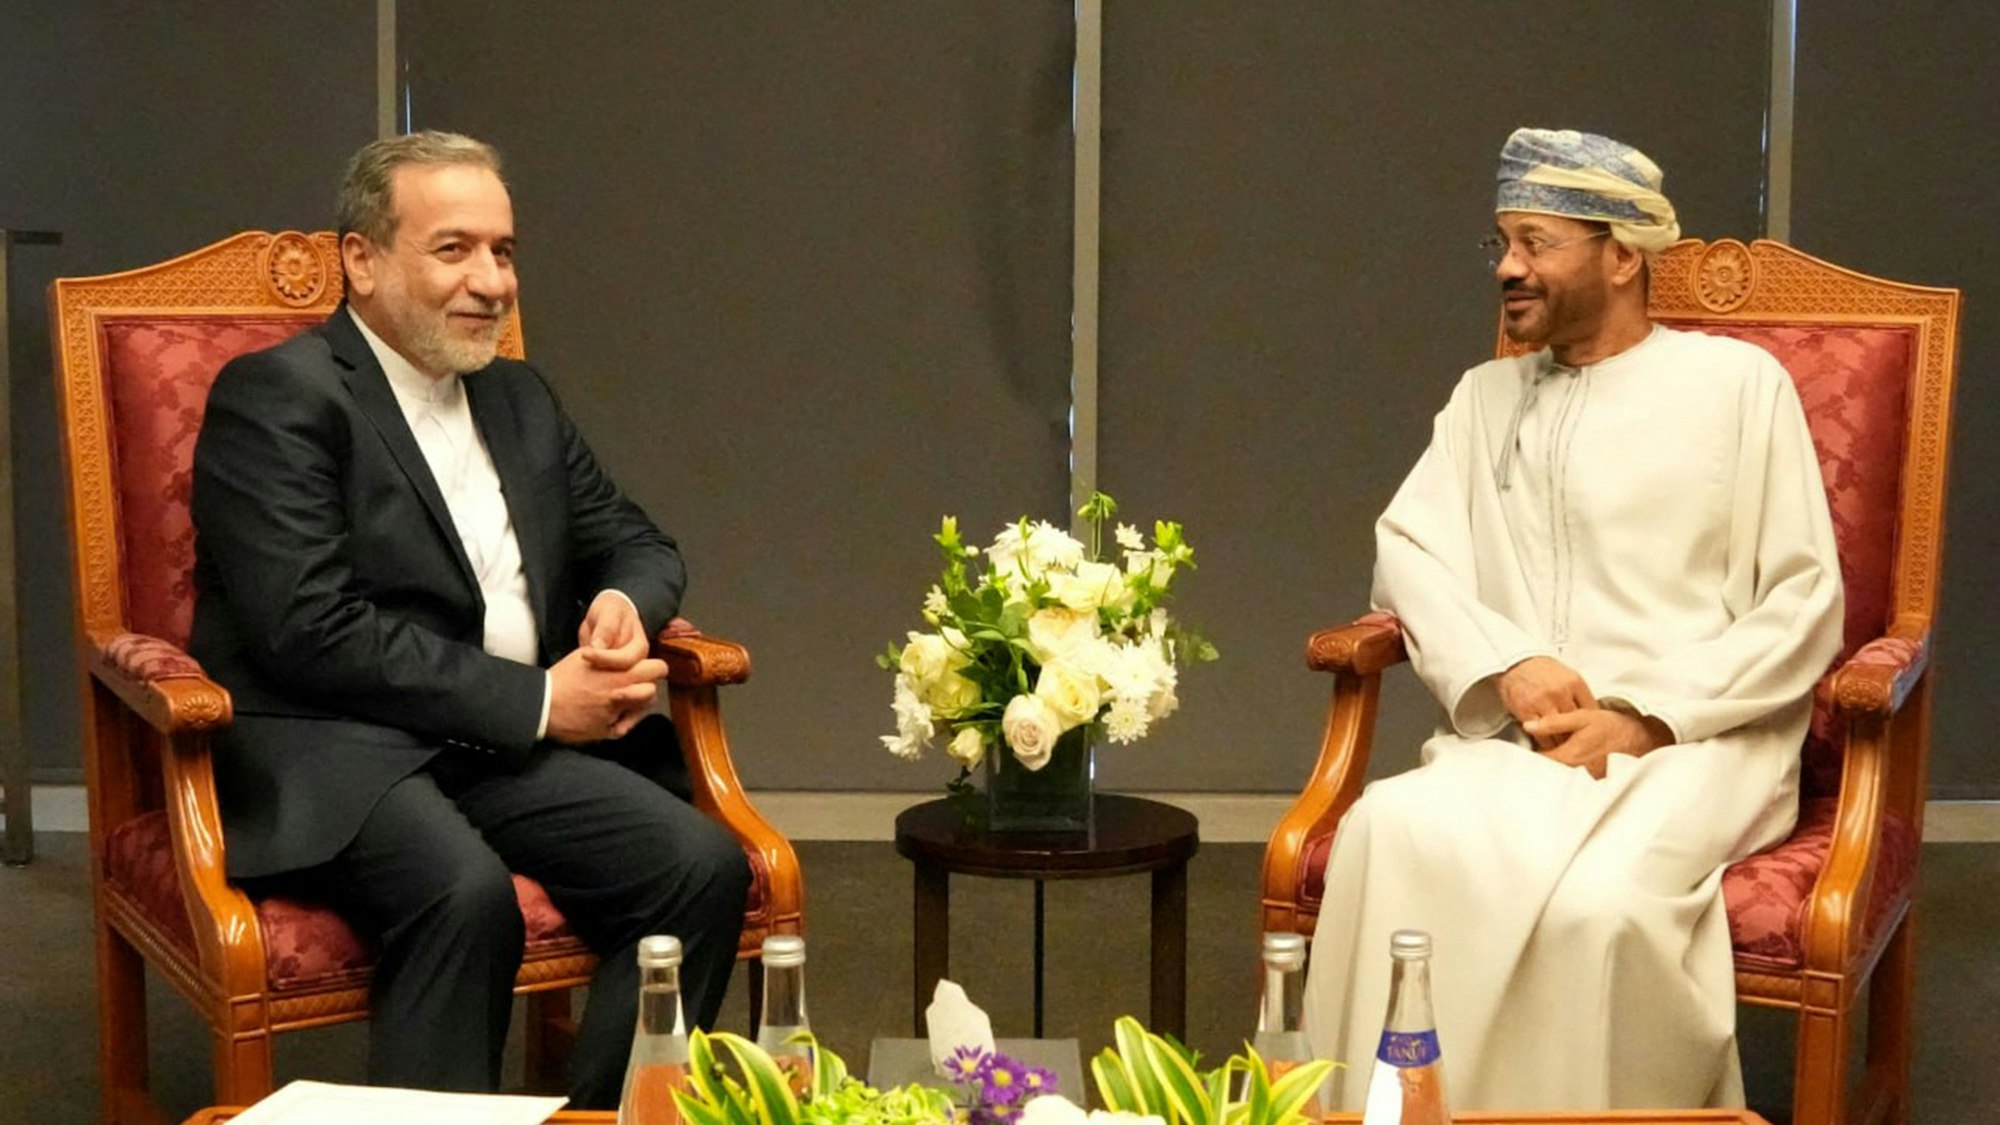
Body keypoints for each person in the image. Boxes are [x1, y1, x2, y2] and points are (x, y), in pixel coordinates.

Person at [189, 130, 750, 1106]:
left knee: (695, 867)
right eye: (453, 249)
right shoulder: (278, 398)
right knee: (462, 895)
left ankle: (602, 1115)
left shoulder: (518, 397)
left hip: (487, 740)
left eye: (504, 252)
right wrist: (538, 701)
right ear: (360, 261)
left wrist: (618, 608)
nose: (491, 280)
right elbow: (307, 629)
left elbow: (640, 542)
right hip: (338, 745)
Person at [1300, 128, 1844, 1110]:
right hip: (1523, 742)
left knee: (1603, 912)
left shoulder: (1735, 388)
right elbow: (1406, 550)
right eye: (1502, 241)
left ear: (1621, 255)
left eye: (1535, 242)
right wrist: (1506, 663)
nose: (1508, 267)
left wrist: (1643, 716)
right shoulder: (1483, 397)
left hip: (1695, 743)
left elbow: (1802, 600)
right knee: (1386, 828)